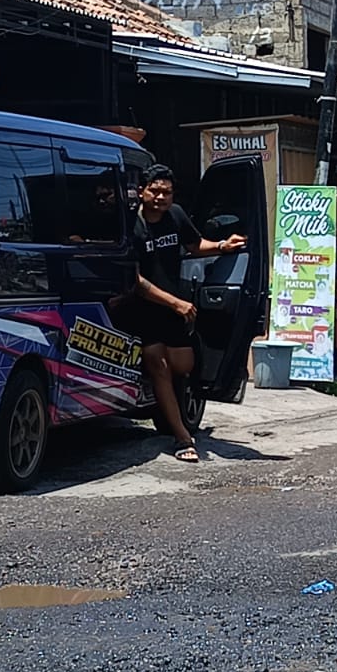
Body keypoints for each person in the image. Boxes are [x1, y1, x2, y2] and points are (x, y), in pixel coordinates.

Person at [116, 164, 245, 463]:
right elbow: (135, 282)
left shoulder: (176, 216)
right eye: (155, 191)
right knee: (158, 365)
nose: (161, 197)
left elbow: (194, 244)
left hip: (175, 306)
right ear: (142, 191)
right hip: (144, 309)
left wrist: (223, 246)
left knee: (182, 365)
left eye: (167, 192)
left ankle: (163, 402)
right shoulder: (130, 226)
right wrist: (175, 303)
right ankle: (183, 437)